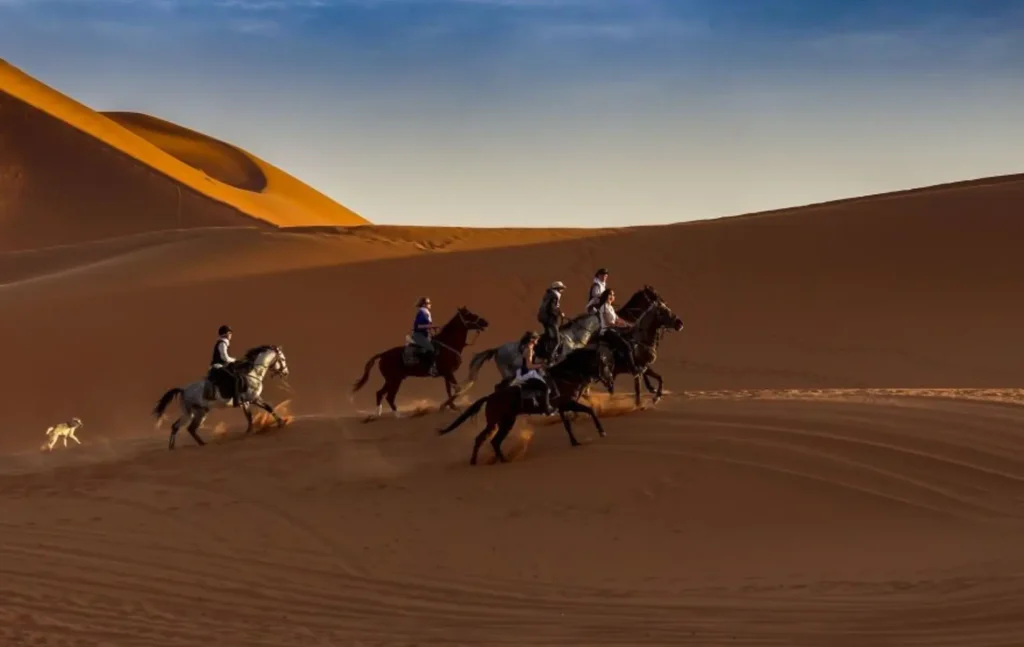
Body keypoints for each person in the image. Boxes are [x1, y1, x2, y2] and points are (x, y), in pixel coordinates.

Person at [511, 331, 556, 415]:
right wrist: (541, 365)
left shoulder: (528, 348)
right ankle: (547, 409)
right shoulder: (529, 350)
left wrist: (543, 361)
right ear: (532, 339)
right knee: (545, 387)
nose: (537, 341)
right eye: (536, 339)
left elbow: (532, 361)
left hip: (528, 372)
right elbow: (529, 366)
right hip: (528, 374)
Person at [208, 324, 245, 406]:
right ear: (225, 334)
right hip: (218, 367)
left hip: (222, 366)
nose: (231, 335)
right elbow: (224, 357)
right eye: (230, 333)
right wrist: (234, 360)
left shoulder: (223, 343)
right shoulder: (222, 343)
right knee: (235, 378)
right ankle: (236, 401)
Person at [536, 281, 565, 360]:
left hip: (544, 318)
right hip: (549, 319)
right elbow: (551, 309)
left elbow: (554, 307)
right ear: (557, 289)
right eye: (561, 288)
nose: (562, 290)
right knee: (557, 340)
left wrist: (560, 312)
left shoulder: (549, 295)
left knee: (549, 335)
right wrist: (559, 314)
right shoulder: (554, 296)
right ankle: (550, 358)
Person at [410, 296, 439, 376]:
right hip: (419, 335)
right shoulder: (422, 313)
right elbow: (418, 326)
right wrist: (431, 326)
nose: (430, 304)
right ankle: (431, 368)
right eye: (428, 303)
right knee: (431, 349)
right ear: (423, 305)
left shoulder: (425, 313)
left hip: (424, 335)